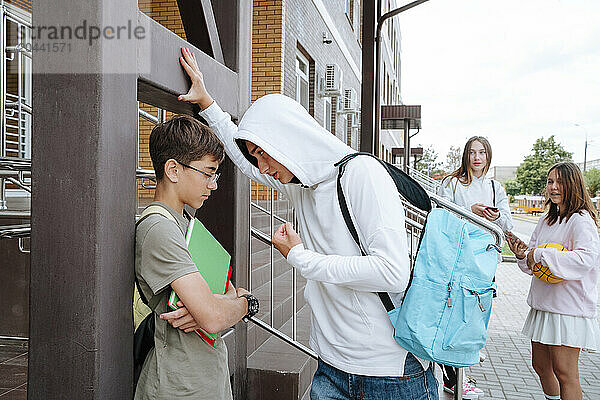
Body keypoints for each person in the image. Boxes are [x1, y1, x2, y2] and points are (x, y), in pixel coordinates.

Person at [170, 47, 438, 399]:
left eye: (264, 153)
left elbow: (392, 272)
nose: (261, 167)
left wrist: (299, 257)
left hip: (388, 374)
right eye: (257, 156)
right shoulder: (301, 183)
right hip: (330, 366)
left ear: (287, 140)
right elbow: (245, 162)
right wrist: (208, 105)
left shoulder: (361, 175)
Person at [134, 114, 258, 399]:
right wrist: (245, 303)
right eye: (208, 172)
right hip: (179, 386)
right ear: (173, 170)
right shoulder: (159, 227)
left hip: (203, 376)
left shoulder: (185, 223)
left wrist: (224, 303)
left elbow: (223, 296)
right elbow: (214, 317)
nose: (213, 184)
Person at [507, 162, 599, 400]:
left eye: (559, 182)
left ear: (573, 185)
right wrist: (523, 255)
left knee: (565, 372)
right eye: (550, 182)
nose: (553, 187)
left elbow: (587, 258)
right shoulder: (547, 219)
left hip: (567, 309)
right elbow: (534, 259)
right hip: (544, 305)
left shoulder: (581, 219)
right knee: (541, 366)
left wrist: (539, 254)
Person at [437, 136, 513, 399]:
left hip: (485, 261)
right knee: (455, 316)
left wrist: (495, 216)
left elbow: (508, 222)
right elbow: (441, 213)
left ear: (488, 156)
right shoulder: (452, 183)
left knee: (476, 316)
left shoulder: (494, 187)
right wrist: (470, 210)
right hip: (458, 259)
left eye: (482, 152)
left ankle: (460, 373)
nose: (477, 157)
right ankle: (454, 377)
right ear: (465, 156)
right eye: (472, 152)